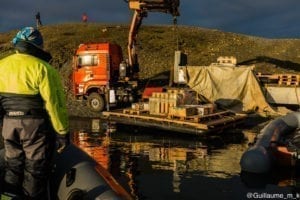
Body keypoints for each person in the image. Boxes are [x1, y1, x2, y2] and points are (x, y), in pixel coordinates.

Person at [0, 27, 70, 199]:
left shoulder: (2, 65)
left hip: (9, 124)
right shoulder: (44, 68)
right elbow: (54, 104)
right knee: (35, 170)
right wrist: (62, 132)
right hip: (34, 127)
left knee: (13, 166)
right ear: (38, 45)